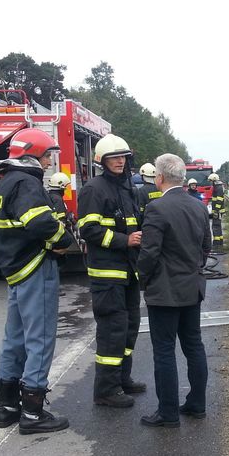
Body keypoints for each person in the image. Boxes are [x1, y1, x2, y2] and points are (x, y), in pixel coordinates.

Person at [0, 128, 73, 434]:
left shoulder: (7, 182)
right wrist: (62, 239)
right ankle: (33, 414)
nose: (50, 160)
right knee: (40, 339)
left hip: (15, 270)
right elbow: (39, 222)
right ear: (32, 155)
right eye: (47, 154)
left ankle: (8, 408)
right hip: (35, 267)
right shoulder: (27, 183)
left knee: (14, 339)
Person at [138, 153, 211, 427]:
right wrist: (194, 268)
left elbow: (149, 253)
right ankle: (197, 404)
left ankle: (168, 413)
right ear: (181, 177)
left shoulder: (157, 209)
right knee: (194, 345)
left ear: (159, 178)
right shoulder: (198, 206)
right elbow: (206, 246)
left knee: (165, 351)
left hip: (164, 292)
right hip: (192, 289)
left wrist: (143, 280)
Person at [77, 133, 146, 408]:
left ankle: (121, 380)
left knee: (129, 328)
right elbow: (89, 230)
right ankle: (106, 390)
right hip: (107, 276)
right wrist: (124, 240)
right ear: (102, 161)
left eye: (123, 157)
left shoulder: (127, 188)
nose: (120, 161)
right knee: (112, 331)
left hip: (128, 272)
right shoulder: (94, 189)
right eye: (114, 157)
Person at [209, 173, 225, 250]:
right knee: (217, 226)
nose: (211, 183)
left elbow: (219, 200)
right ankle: (220, 242)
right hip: (218, 211)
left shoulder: (218, 188)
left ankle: (216, 244)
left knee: (215, 227)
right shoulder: (218, 187)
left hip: (217, 211)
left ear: (214, 180)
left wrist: (216, 210)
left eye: (211, 181)